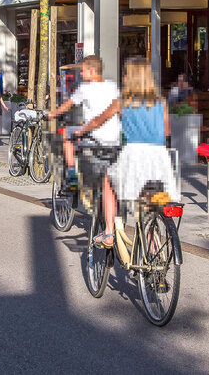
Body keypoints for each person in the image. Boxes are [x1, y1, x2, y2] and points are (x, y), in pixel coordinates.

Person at [73, 58, 175, 248]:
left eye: (126, 74)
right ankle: (152, 241)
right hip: (159, 160)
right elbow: (167, 132)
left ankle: (109, 232)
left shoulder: (123, 102)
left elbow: (97, 121)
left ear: (131, 78)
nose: (124, 78)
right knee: (148, 197)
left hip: (134, 156)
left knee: (108, 181)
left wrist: (80, 131)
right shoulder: (161, 102)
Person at [46, 55, 120, 186]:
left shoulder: (84, 88)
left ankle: (71, 171)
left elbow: (67, 105)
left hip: (93, 134)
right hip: (114, 137)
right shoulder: (113, 86)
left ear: (92, 71)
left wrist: (53, 114)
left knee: (67, 133)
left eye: (83, 70)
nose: (80, 73)